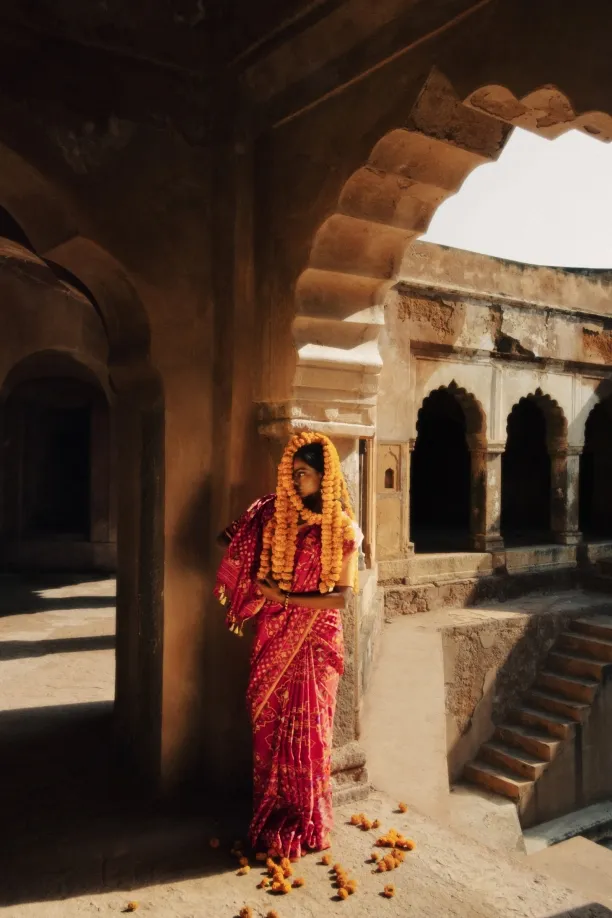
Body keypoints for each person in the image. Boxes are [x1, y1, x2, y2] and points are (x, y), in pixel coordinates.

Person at [215, 431, 362, 859]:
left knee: (312, 732)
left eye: (304, 474)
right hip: (274, 635)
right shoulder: (275, 519)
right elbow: (229, 541)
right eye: (292, 474)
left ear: (325, 476)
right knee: (267, 723)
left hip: (316, 641)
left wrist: (284, 598)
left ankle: (307, 818)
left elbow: (341, 597)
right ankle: (269, 811)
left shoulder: (343, 530)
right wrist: (255, 526)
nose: (296, 482)